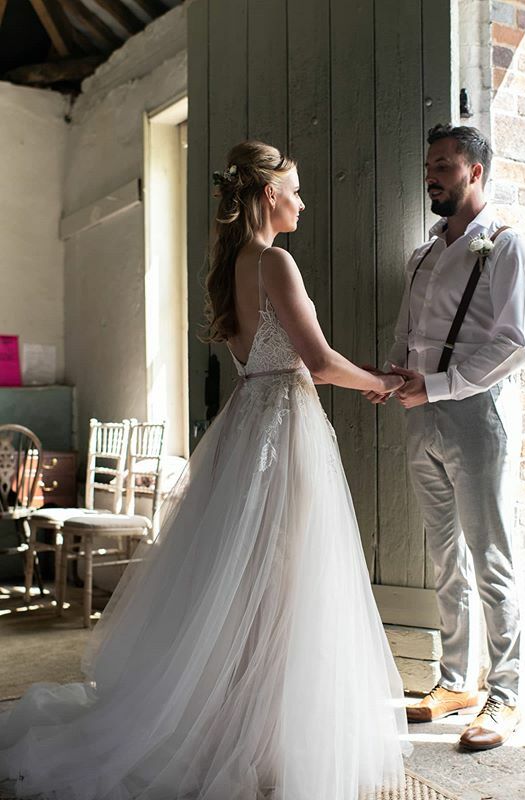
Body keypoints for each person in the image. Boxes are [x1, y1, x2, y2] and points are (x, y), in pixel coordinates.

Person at [0, 141, 410, 799]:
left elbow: (287, 357)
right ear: (269, 194)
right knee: (283, 585)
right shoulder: (274, 261)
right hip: (283, 429)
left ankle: (246, 725)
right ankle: (254, 735)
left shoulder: (234, 264)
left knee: (255, 583)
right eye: (295, 191)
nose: (302, 203)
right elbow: (317, 361)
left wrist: (358, 376)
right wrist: (382, 383)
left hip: (250, 423)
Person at [365, 124, 525, 751]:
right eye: (429, 166)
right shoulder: (422, 255)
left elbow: (514, 343)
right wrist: (391, 378)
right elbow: (407, 334)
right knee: (444, 554)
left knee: (491, 555)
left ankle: (506, 693)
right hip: (420, 416)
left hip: (476, 416)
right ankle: (455, 681)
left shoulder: (507, 244)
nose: (431, 175)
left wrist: (439, 387)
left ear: (476, 171)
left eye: (443, 165)